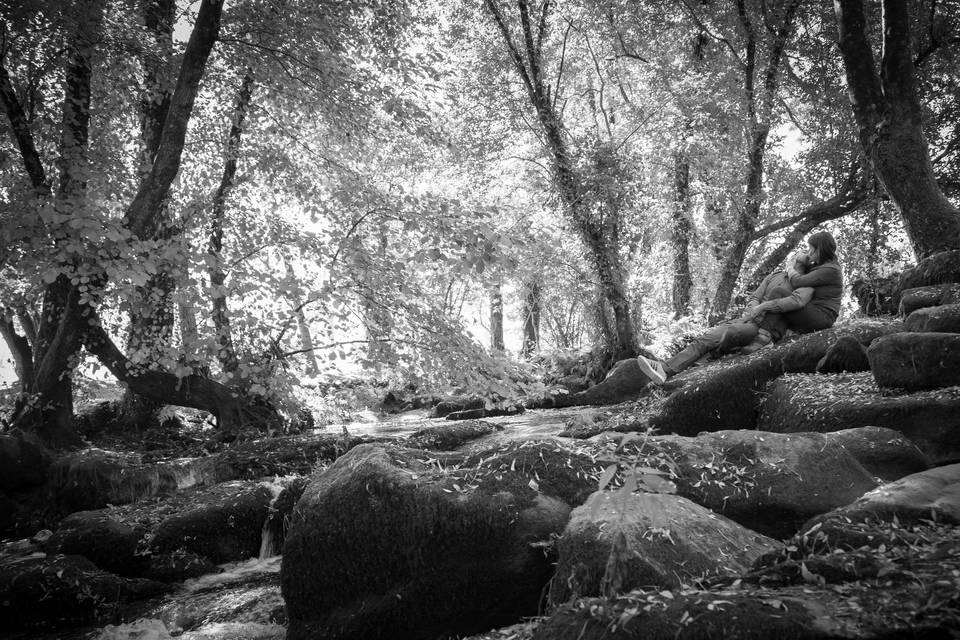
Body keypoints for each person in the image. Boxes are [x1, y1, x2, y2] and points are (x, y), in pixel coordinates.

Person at [636, 231, 842, 384]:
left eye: (805, 254)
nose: (804, 254)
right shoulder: (775, 276)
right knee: (706, 338)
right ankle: (665, 369)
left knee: (730, 334)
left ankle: (713, 357)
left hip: (763, 327)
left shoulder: (806, 283)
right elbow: (754, 296)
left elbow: (796, 303)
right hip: (749, 319)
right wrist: (754, 307)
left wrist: (762, 309)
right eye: (800, 253)